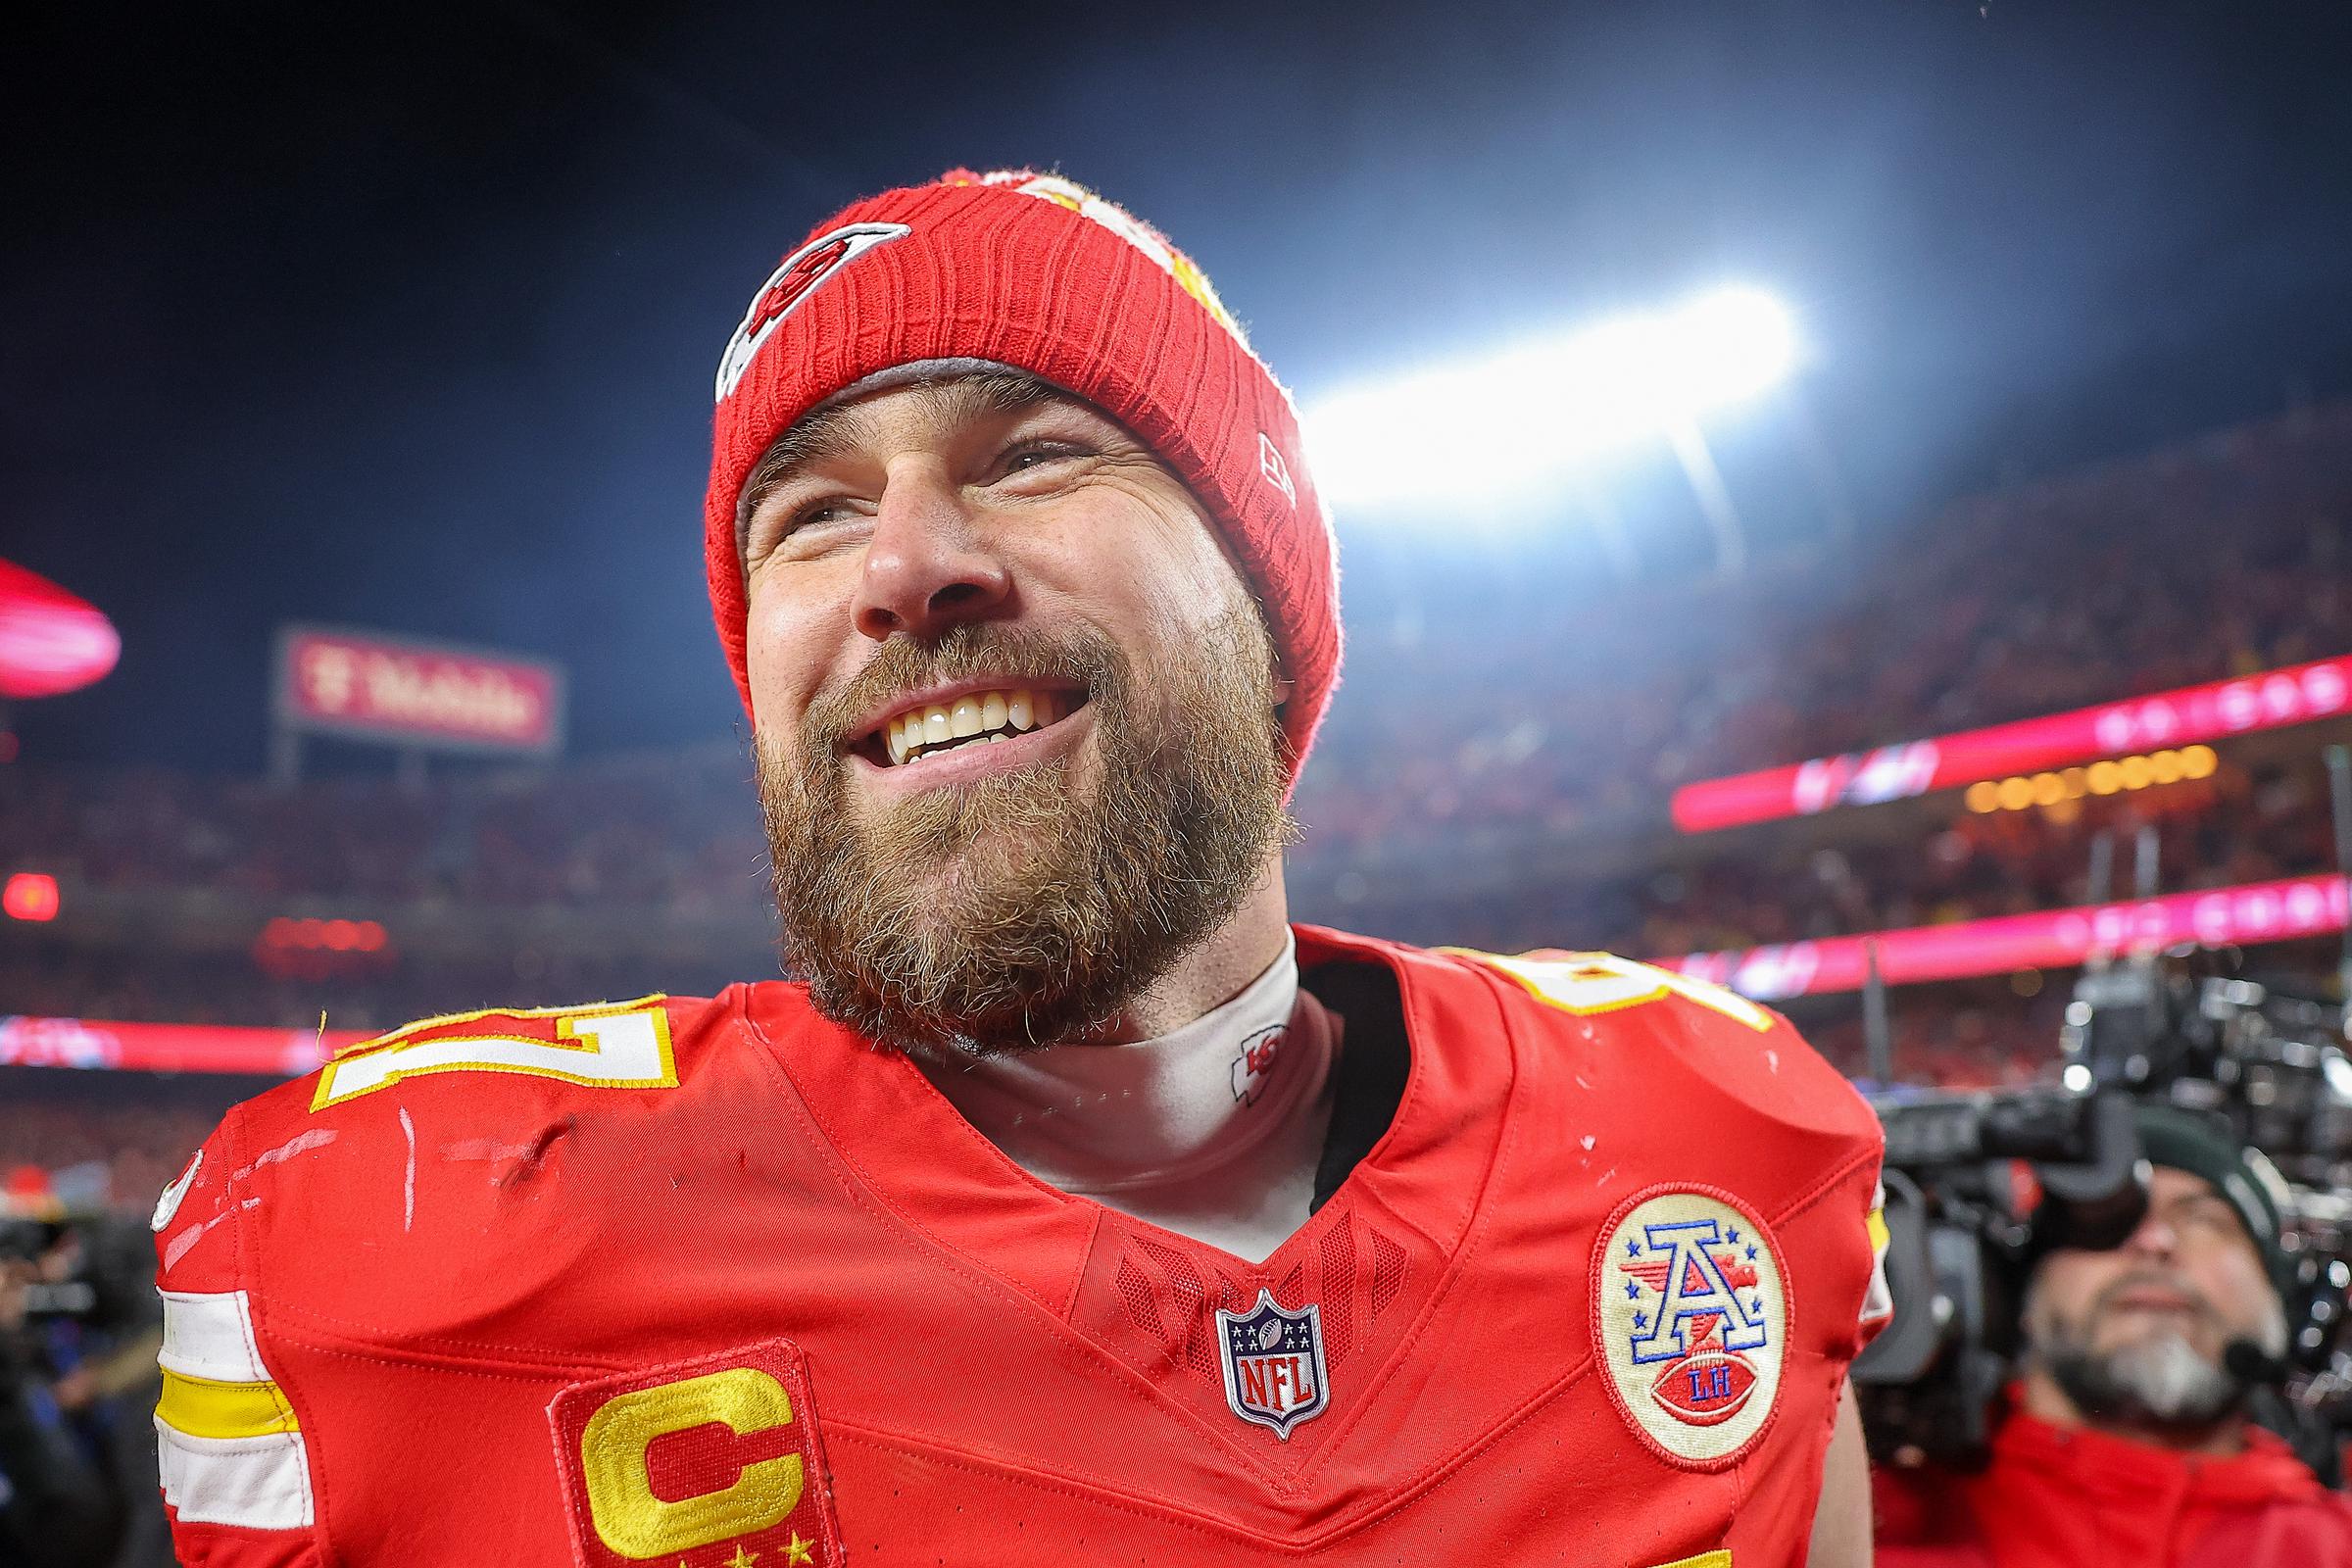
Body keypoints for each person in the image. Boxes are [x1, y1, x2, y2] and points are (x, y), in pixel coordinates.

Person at [154, 169, 1888, 1566]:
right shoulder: (395, 1244)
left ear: (1276, 616)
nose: (905, 565)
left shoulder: (1712, 1136)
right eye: (810, 515)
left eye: (1040, 454)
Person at [1876, 1102, 2352, 1566]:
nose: (2153, 1243)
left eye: (2204, 1220)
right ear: (2019, 1294)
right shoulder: (1858, 1523)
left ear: (2284, 1300)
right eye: (2104, 1223)